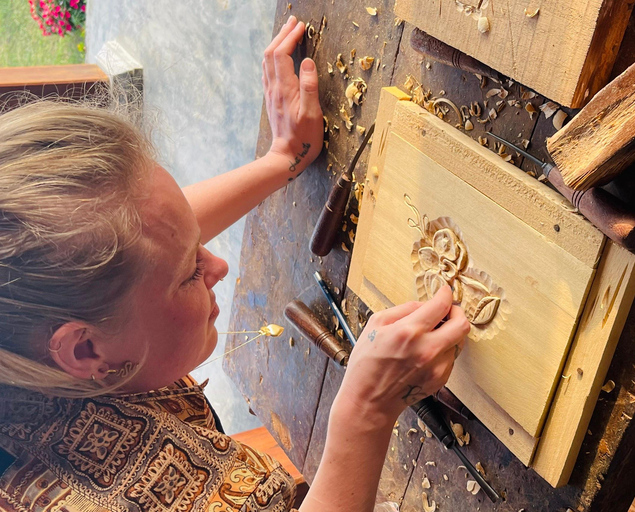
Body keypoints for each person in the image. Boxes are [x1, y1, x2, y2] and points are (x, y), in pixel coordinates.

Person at [0, 15, 469, 512]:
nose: (217, 265)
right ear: (84, 349)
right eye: (189, 274)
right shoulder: (110, 494)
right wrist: (366, 413)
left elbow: (133, 245)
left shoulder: (29, 306)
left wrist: (282, 157)